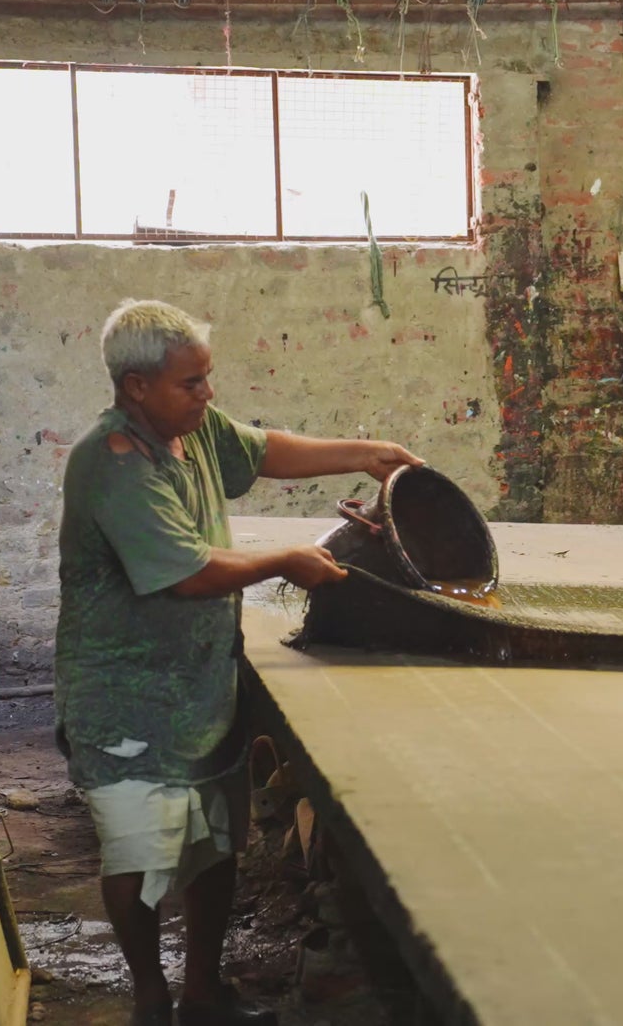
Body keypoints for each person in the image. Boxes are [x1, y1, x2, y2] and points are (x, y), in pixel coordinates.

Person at [55, 299, 423, 1026]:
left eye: (207, 379)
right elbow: (188, 572)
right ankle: (149, 995)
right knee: (139, 854)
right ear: (136, 386)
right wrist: (286, 558)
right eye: (191, 382)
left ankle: (201, 990)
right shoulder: (113, 463)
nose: (207, 394)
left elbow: (264, 450)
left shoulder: (191, 431)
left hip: (197, 683)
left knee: (215, 841)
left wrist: (365, 451)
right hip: (127, 697)